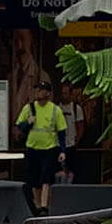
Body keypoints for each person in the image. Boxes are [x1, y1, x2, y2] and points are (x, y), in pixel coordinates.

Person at [15, 83, 67, 211]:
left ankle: (44, 205)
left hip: (49, 148)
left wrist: (62, 151)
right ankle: (37, 205)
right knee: (34, 178)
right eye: (37, 90)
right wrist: (28, 122)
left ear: (48, 93)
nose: (38, 92)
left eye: (41, 90)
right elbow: (19, 127)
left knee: (46, 177)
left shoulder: (55, 110)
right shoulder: (29, 108)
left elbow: (61, 132)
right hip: (33, 148)